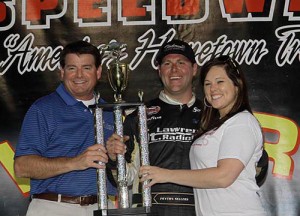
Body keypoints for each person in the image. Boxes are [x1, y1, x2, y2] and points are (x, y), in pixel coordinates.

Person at [139, 55, 267, 216]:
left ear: (237, 85)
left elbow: (224, 176)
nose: (213, 89)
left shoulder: (242, 122)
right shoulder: (214, 125)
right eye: (207, 84)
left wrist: (166, 174)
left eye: (220, 81)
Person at [14, 40, 117, 216]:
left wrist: (115, 158)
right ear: (62, 72)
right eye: (71, 68)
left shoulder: (108, 111)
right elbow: (22, 167)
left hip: (100, 207)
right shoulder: (43, 109)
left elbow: (118, 171)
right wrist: (76, 162)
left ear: (98, 72)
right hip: (53, 207)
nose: (79, 75)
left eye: (86, 67)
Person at [107, 39, 202, 216]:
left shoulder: (212, 116)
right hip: (151, 210)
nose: (174, 69)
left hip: (202, 209)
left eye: (181, 62)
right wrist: (113, 158)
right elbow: (119, 180)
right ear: (159, 71)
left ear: (194, 69)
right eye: (167, 63)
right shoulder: (138, 116)